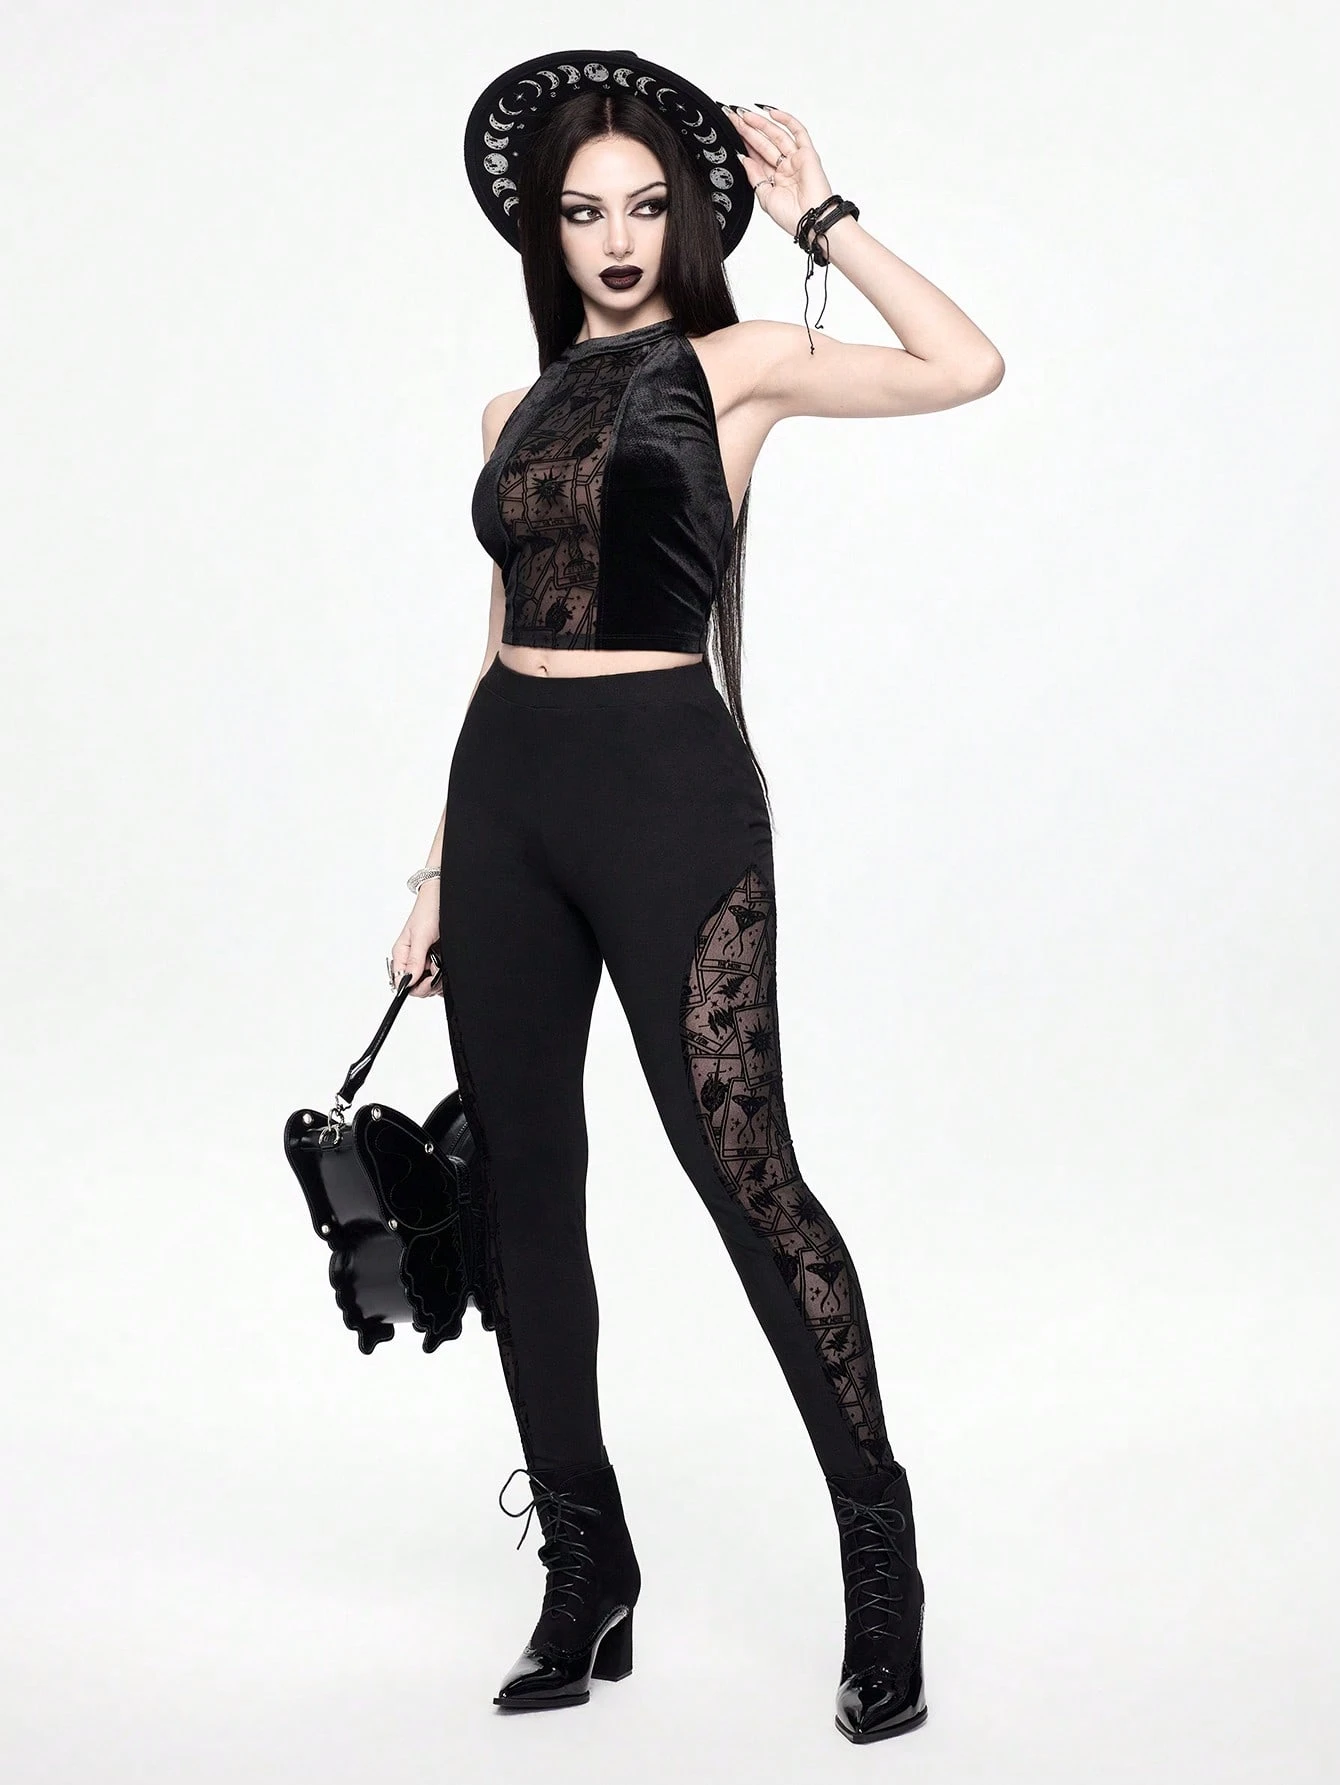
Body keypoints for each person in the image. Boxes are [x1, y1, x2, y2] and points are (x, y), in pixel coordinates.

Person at [389, 51, 1004, 1743]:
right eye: (585, 212)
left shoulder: (736, 366)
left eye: (646, 206)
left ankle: (880, 1564)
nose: (616, 239)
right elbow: (496, 645)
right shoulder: (509, 415)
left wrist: (827, 218)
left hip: (668, 794)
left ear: (684, 221)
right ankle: (586, 1570)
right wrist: (436, 866)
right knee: (522, 1193)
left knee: (750, 1177)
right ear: (545, 228)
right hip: (507, 800)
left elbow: (967, 365)